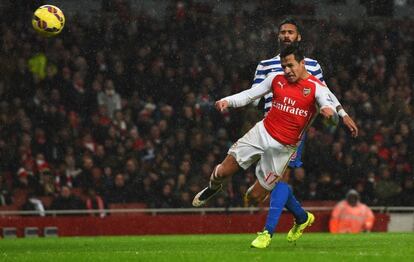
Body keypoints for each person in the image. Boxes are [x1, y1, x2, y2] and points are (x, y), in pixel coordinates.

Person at [192, 43, 354, 241]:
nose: (287, 70)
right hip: (261, 134)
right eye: (284, 66)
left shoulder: (316, 88)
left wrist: (330, 114)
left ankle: (296, 215)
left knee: (252, 199)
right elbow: (250, 95)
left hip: (283, 149)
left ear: (302, 63)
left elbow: (329, 108)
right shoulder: (275, 78)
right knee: (221, 173)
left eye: (291, 65)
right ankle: (213, 187)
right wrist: (228, 100)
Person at [249, 17, 358, 248]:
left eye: (291, 32)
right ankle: (301, 217)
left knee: (278, 178)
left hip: (294, 131)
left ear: (298, 38)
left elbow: (324, 93)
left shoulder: (312, 66)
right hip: (268, 130)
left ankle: (267, 233)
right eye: (283, 32)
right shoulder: (265, 66)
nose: (286, 35)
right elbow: (254, 98)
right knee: (268, 184)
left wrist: (343, 113)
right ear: (278, 37)